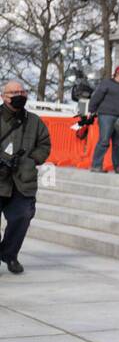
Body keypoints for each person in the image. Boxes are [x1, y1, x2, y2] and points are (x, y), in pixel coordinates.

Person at [0, 81, 51, 274]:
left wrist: (31, 160)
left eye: (21, 91)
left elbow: (44, 144)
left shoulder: (34, 121)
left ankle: (9, 254)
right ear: (4, 96)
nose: (18, 95)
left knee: (22, 216)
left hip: (23, 178)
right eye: (13, 92)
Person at [87, 65, 119, 174]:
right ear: (118, 73)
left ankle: (118, 167)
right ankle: (96, 165)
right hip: (106, 116)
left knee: (118, 144)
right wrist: (91, 110)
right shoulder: (106, 84)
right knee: (104, 141)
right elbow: (96, 97)